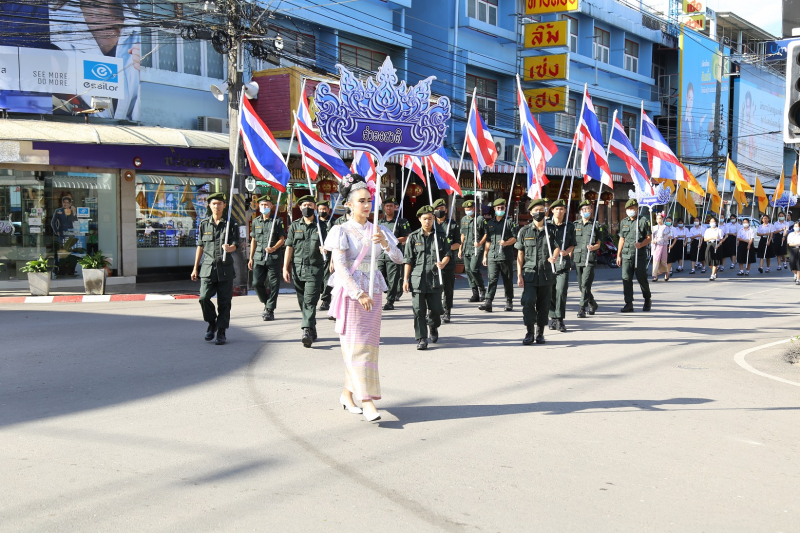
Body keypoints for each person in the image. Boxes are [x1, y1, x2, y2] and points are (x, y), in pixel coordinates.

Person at [324, 174, 403, 423]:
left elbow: (399, 258)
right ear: (348, 204)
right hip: (353, 294)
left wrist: (387, 245)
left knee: (367, 348)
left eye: (369, 200)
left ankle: (347, 395)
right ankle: (367, 401)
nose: (367, 205)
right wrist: (358, 293)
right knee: (355, 348)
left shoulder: (379, 229)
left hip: (375, 291)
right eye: (361, 201)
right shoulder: (341, 230)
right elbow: (340, 267)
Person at [191, 192, 238, 345]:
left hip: (225, 269)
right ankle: (212, 323)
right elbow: (200, 246)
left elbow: (236, 244)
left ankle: (222, 331)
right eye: (214, 204)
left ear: (224, 205)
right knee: (203, 298)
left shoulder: (232, 223)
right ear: (209, 206)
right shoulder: (204, 224)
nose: (216, 206)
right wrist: (195, 268)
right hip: (208, 268)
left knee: (224, 302)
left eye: (219, 203)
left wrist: (230, 248)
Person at [404, 205, 451, 350]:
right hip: (418, 279)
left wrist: (443, 262)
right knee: (418, 310)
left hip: (435, 278)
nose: (427, 221)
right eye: (425, 219)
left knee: (436, 309)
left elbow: (448, 253)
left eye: (430, 218)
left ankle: (433, 326)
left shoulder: (441, 236)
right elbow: (408, 260)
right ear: (419, 219)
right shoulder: (413, 237)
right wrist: (405, 279)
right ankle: (422, 338)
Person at [283, 195, 328, 347]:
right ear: (300, 208)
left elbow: (332, 246)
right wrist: (285, 267)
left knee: (310, 301)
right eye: (303, 205)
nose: (306, 207)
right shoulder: (295, 226)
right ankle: (312, 327)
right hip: (298, 269)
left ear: (314, 207)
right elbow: (289, 247)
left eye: (309, 204)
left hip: (315, 269)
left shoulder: (323, 227)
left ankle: (306, 331)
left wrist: (326, 250)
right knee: (302, 302)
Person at [515, 199, 560, 345]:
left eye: (541, 210)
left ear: (545, 211)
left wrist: (554, 256)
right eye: (536, 210)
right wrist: (519, 274)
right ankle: (529, 332)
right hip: (529, 274)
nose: (539, 212)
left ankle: (540, 333)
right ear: (531, 212)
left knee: (544, 304)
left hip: (547, 274)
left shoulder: (551, 229)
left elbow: (557, 246)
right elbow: (520, 254)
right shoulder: (524, 231)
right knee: (528, 302)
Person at [248, 195, 285, 321]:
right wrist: (251, 257)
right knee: (256, 283)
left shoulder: (277, 221)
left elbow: (282, 239)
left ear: (271, 206)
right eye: (262, 205)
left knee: (274, 284)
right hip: (259, 256)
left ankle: (269, 309)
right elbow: (253, 240)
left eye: (267, 205)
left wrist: (274, 248)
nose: (264, 207)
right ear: (259, 206)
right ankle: (267, 302)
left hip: (273, 257)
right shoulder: (256, 221)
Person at [480, 198, 517, 313]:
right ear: (494, 209)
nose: (500, 209)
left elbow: (515, 238)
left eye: (502, 208)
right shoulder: (490, 223)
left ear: (505, 208)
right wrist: (485, 255)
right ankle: (488, 301)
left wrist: (506, 243)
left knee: (508, 280)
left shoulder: (510, 222)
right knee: (492, 279)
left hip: (505, 256)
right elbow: (488, 241)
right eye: (498, 208)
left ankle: (509, 301)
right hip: (493, 255)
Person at [616, 199, 652, 312]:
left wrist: (641, 244)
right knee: (626, 279)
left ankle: (647, 299)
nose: (630, 211)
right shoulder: (624, 222)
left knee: (642, 279)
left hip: (639, 255)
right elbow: (621, 239)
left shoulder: (643, 221)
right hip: (627, 255)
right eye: (628, 209)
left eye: (632, 209)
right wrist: (618, 255)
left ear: (637, 209)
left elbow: (649, 238)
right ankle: (628, 303)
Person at [547, 199, 575, 332]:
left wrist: (566, 252)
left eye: (561, 209)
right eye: (556, 209)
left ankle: (560, 319)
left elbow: (572, 245)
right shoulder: (546, 225)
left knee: (561, 291)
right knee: (551, 292)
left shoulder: (569, 226)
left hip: (563, 264)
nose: (559, 211)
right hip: (549, 264)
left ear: (565, 211)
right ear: (552, 210)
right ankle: (552, 317)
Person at [377, 197, 410, 311]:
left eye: (391, 206)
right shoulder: (380, 222)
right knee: (379, 276)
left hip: (394, 254)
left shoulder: (401, 221)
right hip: (381, 254)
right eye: (387, 206)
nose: (389, 208)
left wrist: (394, 240)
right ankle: (378, 299)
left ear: (395, 207)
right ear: (384, 207)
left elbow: (406, 237)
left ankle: (390, 301)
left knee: (393, 279)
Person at [432, 198, 460, 323]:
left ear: (446, 210)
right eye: (437, 209)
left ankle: (447, 311)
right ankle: (434, 311)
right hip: (434, 262)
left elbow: (458, 244)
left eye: (442, 209)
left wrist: (447, 249)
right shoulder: (431, 225)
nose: (439, 211)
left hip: (448, 263)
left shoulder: (452, 225)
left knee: (448, 289)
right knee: (433, 289)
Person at [573, 200, 601, 319]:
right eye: (584, 209)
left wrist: (593, 247)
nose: (586, 211)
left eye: (588, 209)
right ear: (580, 212)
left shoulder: (596, 225)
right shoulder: (575, 225)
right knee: (581, 286)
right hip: (578, 257)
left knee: (585, 284)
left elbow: (599, 243)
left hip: (589, 258)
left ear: (591, 210)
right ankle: (592, 303)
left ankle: (582, 308)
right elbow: (571, 244)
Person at [459, 198, 486, 302]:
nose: (467, 211)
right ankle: (475, 293)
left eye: (469, 208)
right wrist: (460, 248)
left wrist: (480, 243)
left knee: (474, 269)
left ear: (474, 208)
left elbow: (486, 234)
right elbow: (462, 235)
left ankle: (482, 289)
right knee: (468, 271)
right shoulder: (464, 219)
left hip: (476, 248)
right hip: (466, 247)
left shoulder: (480, 219)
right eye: (466, 209)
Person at [317, 200, 335, 312]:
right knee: (319, 279)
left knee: (328, 278)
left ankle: (325, 300)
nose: (322, 211)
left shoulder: (333, 223)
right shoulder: (315, 222)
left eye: (324, 209)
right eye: (320, 209)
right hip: (317, 255)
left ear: (328, 210)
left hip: (330, 255)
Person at [651, 212, 671, 282]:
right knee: (656, 260)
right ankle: (655, 276)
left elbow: (665, 237)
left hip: (663, 245)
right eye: (657, 219)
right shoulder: (654, 227)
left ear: (662, 219)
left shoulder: (665, 227)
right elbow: (651, 236)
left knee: (663, 260)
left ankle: (666, 273)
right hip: (656, 246)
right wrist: (652, 240)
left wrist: (657, 240)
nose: (658, 220)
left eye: (659, 218)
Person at [704, 216, 725, 281]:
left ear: (716, 223)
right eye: (711, 221)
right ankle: (714, 270)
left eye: (713, 221)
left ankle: (712, 275)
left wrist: (718, 245)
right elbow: (705, 239)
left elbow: (721, 239)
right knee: (709, 260)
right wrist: (712, 237)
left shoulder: (719, 230)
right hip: (710, 244)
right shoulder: (707, 230)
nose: (712, 223)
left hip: (716, 245)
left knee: (715, 261)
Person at [786, 220, 800, 284]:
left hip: (799, 249)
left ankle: (798, 279)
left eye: (797, 226)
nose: (796, 227)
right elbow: (789, 244)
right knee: (792, 265)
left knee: (799, 265)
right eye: (795, 226)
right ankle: (796, 274)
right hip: (793, 250)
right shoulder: (791, 234)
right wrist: (797, 243)